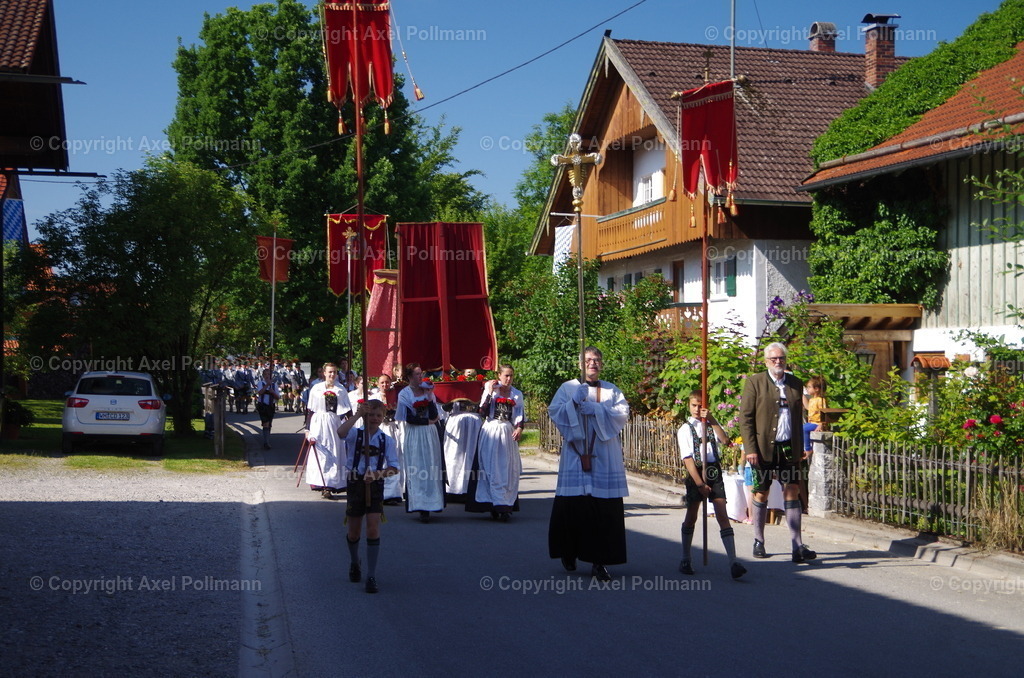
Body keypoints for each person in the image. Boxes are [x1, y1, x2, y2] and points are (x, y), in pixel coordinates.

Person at [547, 347, 629, 581]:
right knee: (574, 506)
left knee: (602, 510)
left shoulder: (612, 390)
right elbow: (555, 412)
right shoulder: (568, 388)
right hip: (575, 454)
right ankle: (568, 551)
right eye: (588, 360)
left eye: (596, 360)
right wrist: (572, 403)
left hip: (604, 456)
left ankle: (599, 561)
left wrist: (597, 409)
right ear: (580, 364)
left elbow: (622, 413)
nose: (592, 364)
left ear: (601, 364)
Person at [739, 342, 817, 563]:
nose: (778, 362)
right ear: (766, 361)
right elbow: (745, 419)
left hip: (787, 447)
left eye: (781, 358)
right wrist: (750, 449)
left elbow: (798, 418)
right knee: (761, 492)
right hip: (763, 449)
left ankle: (797, 545)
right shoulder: (755, 382)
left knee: (792, 491)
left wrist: (802, 445)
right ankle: (758, 540)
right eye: (773, 359)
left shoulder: (794, 383)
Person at [677, 390, 747, 579]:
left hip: (714, 471)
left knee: (722, 513)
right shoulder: (685, 429)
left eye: (701, 405)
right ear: (689, 406)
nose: (698, 408)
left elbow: (725, 441)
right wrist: (699, 484)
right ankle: (686, 557)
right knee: (692, 514)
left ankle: (733, 561)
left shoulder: (711, 425)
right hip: (696, 473)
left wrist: (713, 420)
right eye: (694, 405)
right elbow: (688, 460)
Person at [336, 399, 400, 594]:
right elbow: (341, 433)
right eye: (371, 414)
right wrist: (356, 415)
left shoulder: (386, 440)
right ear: (366, 416)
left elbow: (394, 467)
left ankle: (371, 575)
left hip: (374, 485)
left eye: (378, 415)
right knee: (354, 532)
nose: (374, 418)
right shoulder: (356, 434)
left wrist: (377, 475)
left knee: (373, 528)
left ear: (383, 418)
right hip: (355, 483)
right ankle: (355, 562)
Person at [467, 364, 524, 521]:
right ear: (499, 375)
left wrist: (519, 428)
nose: (509, 379)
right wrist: (490, 393)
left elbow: (519, 414)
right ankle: (491, 502)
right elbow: (482, 412)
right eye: (506, 375)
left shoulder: (516, 394)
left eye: (511, 376)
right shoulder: (491, 389)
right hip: (491, 430)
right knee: (490, 467)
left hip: (507, 431)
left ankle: (505, 504)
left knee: (506, 468)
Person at [395, 363, 445, 522]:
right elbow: (408, 417)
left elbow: (435, 414)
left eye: (420, 373)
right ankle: (419, 503)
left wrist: (430, 397)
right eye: (416, 374)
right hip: (415, 433)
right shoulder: (404, 394)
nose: (419, 376)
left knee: (431, 465)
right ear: (409, 377)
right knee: (417, 466)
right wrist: (426, 422)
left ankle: (433, 503)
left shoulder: (427, 390)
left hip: (429, 433)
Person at [304, 363, 352, 498]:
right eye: (330, 372)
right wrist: (307, 429)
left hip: (334, 423)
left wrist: (351, 425)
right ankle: (321, 482)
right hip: (318, 423)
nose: (332, 375)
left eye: (335, 372)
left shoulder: (341, 389)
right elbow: (310, 410)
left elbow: (348, 410)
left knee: (334, 452)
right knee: (321, 453)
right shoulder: (316, 388)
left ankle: (331, 484)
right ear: (324, 373)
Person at [442, 398, 483, 502]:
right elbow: (444, 406)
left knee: (472, 453)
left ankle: (470, 488)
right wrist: (451, 400)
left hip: (474, 421)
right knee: (453, 454)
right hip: (456, 421)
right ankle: (452, 488)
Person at [254, 368, 281, 449]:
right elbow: (260, 392)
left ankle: (267, 439)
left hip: (271, 406)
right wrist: (266, 385)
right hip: (262, 406)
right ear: (263, 375)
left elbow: (278, 397)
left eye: (268, 374)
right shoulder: (260, 383)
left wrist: (272, 391)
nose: (267, 376)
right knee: (265, 423)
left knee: (269, 424)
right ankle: (266, 442)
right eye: (265, 374)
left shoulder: (274, 385)